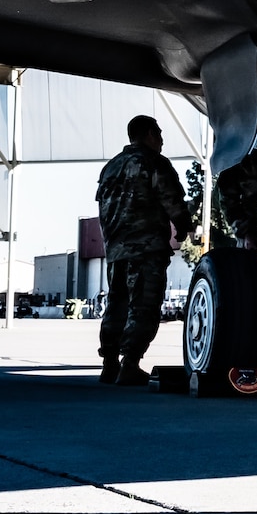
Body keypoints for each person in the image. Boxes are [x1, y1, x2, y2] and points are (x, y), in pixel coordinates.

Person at [96, 115, 193, 386]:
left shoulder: (110, 167)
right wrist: (185, 226)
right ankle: (130, 364)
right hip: (146, 248)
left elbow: (103, 209)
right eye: (159, 133)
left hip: (116, 251)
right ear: (149, 133)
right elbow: (171, 199)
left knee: (116, 306)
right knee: (143, 306)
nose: (162, 139)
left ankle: (109, 365)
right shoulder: (153, 162)